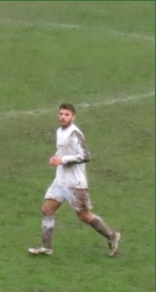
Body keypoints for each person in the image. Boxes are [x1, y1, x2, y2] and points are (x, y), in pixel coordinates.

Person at [28, 103, 121, 257]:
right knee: (47, 210)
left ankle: (112, 236)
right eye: (61, 114)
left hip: (75, 184)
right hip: (60, 180)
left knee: (84, 215)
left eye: (67, 115)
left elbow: (85, 156)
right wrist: (56, 157)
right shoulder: (60, 131)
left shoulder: (75, 134)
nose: (63, 117)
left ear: (73, 117)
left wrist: (62, 159)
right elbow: (63, 151)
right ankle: (46, 247)